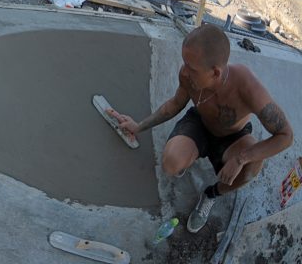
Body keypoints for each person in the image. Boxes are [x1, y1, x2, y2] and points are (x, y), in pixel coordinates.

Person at [108, 24, 293, 233]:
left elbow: (285, 136)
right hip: (200, 122)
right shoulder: (187, 76)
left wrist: (241, 159)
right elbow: (175, 104)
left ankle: (210, 195)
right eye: (185, 63)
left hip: (233, 137)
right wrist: (139, 126)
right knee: (171, 164)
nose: (185, 71)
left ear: (215, 73)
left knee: (252, 166)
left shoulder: (247, 87)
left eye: (192, 68)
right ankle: (189, 156)